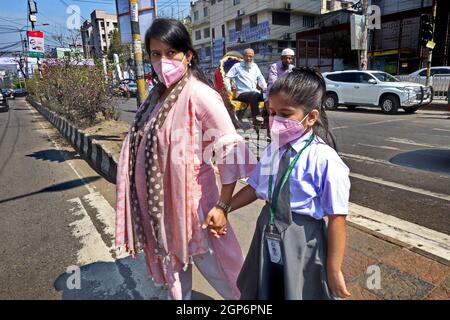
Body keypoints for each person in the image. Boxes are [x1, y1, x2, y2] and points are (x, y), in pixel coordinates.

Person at [115, 18, 256, 300]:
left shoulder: (200, 94)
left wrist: (223, 206)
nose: (162, 61)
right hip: (163, 210)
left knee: (225, 274)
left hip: (196, 209)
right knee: (175, 270)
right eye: (156, 54)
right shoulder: (154, 97)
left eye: (171, 53)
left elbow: (230, 150)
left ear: (187, 55)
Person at [204, 68, 351, 300]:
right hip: (267, 230)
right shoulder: (274, 150)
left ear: (311, 117)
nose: (275, 122)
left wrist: (333, 269)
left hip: (302, 239)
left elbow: (337, 218)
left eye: (285, 114)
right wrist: (224, 208)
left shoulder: (325, 160)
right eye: (271, 113)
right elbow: (254, 188)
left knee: (299, 290)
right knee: (267, 289)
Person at [224, 48, 267, 125]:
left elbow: (261, 79)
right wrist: (228, 89)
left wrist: (266, 89)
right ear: (243, 57)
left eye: (251, 57)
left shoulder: (255, 66)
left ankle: (267, 119)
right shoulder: (237, 66)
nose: (249, 58)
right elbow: (227, 77)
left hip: (255, 93)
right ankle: (256, 118)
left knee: (268, 96)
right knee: (254, 94)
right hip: (241, 94)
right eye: (247, 56)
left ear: (253, 57)